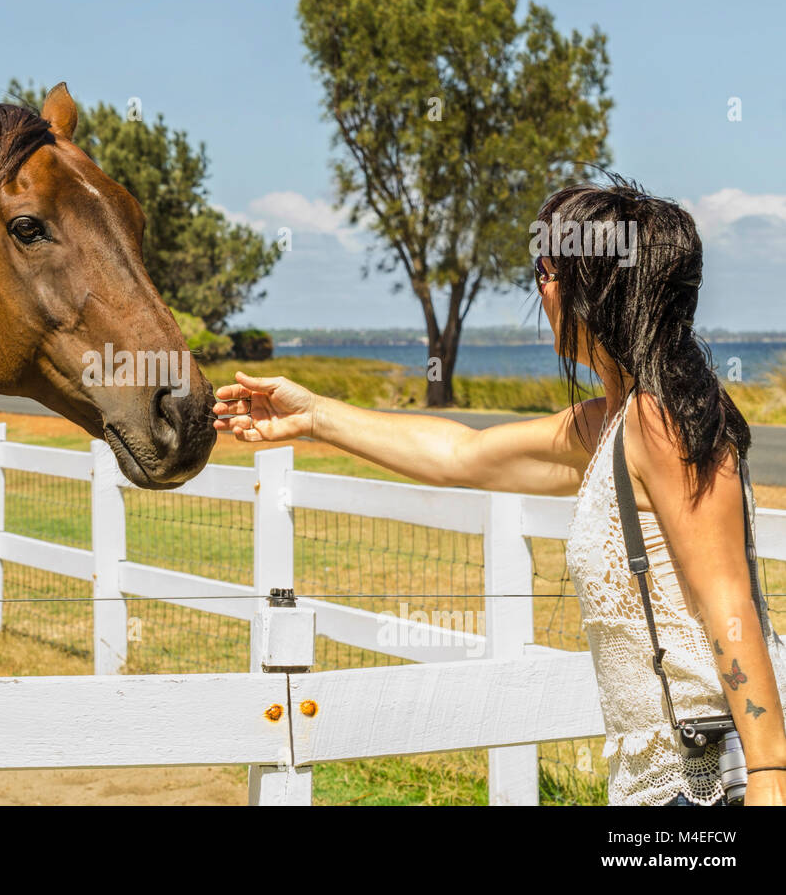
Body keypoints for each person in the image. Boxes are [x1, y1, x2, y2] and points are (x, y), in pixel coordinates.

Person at [212, 177, 786, 806]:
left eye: (548, 270)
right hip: (666, 779)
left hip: (709, 780)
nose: (539, 288)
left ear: (598, 288)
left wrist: (769, 776)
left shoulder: (660, 422)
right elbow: (462, 454)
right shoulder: (613, 425)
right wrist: (315, 415)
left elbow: (726, 600)